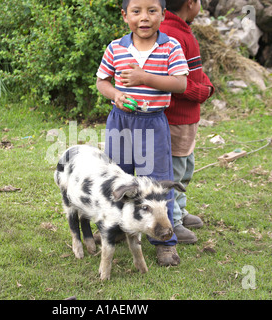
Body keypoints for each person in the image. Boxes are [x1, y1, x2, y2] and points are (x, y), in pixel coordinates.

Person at [96, 0, 189, 266]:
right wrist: (115, 95)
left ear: (163, 14)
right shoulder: (116, 47)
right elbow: (101, 81)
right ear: (125, 15)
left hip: (153, 124)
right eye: (136, 11)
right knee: (117, 179)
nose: (144, 18)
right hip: (120, 121)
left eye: (152, 11)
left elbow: (181, 83)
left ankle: (164, 242)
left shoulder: (171, 47)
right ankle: (112, 228)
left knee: (157, 183)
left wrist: (143, 78)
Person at [159, 0, 215, 243]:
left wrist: (206, 83)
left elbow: (193, 70)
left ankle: (180, 209)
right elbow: (172, 81)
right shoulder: (170, 34)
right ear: (190, 3)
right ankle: (173, 221)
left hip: (188, 117)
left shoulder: (183, 31)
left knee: (186, 167)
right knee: (175, 170)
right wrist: (200, 92)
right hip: (175, 116)